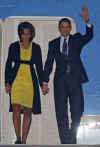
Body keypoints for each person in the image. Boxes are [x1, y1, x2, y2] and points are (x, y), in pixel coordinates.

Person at [42, 6, 93, 144]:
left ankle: (71, 137)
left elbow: (89, 36)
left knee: (77, 111)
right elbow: (48, 63)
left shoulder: (76, 39)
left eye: (67, 27)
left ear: (70, 28)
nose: (64, 29)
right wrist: (44, 82)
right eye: (62, 27)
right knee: (61, 113)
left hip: (75, 79)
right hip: (60, 82)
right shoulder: (53, 44)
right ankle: (66, 143)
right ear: (59, 29)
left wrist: (87, 20)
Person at [5, 22, 44, 144]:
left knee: (27, 110)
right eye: (23, 33)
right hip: (16, 80)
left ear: (31, 34)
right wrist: (7, 82)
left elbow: (39, 68)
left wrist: (43, 83)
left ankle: (24, 141)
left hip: (29, 81)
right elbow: (8, 65)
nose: (25, 36)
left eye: (28, 33)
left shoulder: (36, 47)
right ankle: (18, 138)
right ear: (20, 34)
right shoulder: (13, 46)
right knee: (16, 107)